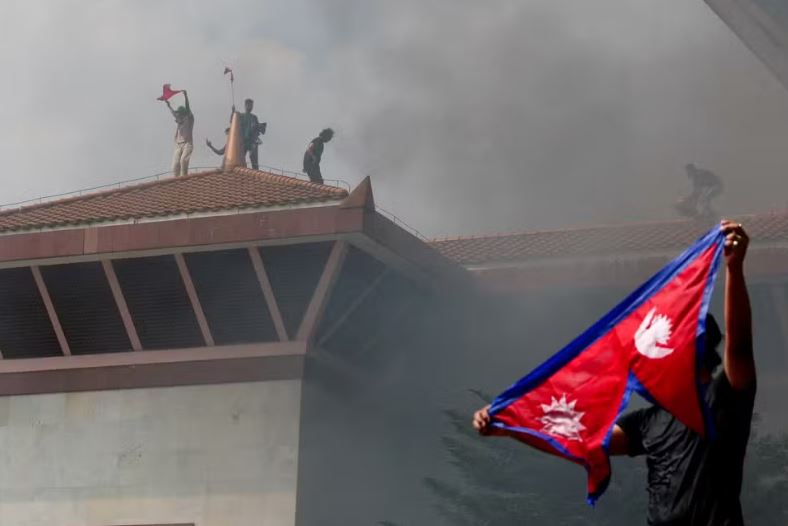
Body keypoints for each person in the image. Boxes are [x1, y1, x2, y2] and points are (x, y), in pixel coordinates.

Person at [473, 220, 755, 526]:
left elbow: (738, 344)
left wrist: (734, 268)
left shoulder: (726, 394)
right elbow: (581, 438)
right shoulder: (650, 421)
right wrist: (510, 427)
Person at [164, 90, 194, 177]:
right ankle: (176, 181)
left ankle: (183, 179)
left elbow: (188, 108)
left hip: (187, 144)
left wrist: (186, 96)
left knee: (183, 161)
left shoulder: (188, 118)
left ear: (183, 114)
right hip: (178, 145)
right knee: (175, 165)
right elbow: (173, 113)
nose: (177, 116)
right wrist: (168, 105)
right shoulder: (179, 120)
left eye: (179, 114)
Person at [237, 98, 265, 169]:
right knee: (240, 158)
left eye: (251, 105)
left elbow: (257, 129)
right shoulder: (241, 116)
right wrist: (233, 112)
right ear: (245, 105)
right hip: (243, 141)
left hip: (251, 140)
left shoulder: (254, 117)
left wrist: (256, 126)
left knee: (253, 158)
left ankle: (255, 171)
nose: (250, 107)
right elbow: (233, 121)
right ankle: (241, 168)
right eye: (249, 105)